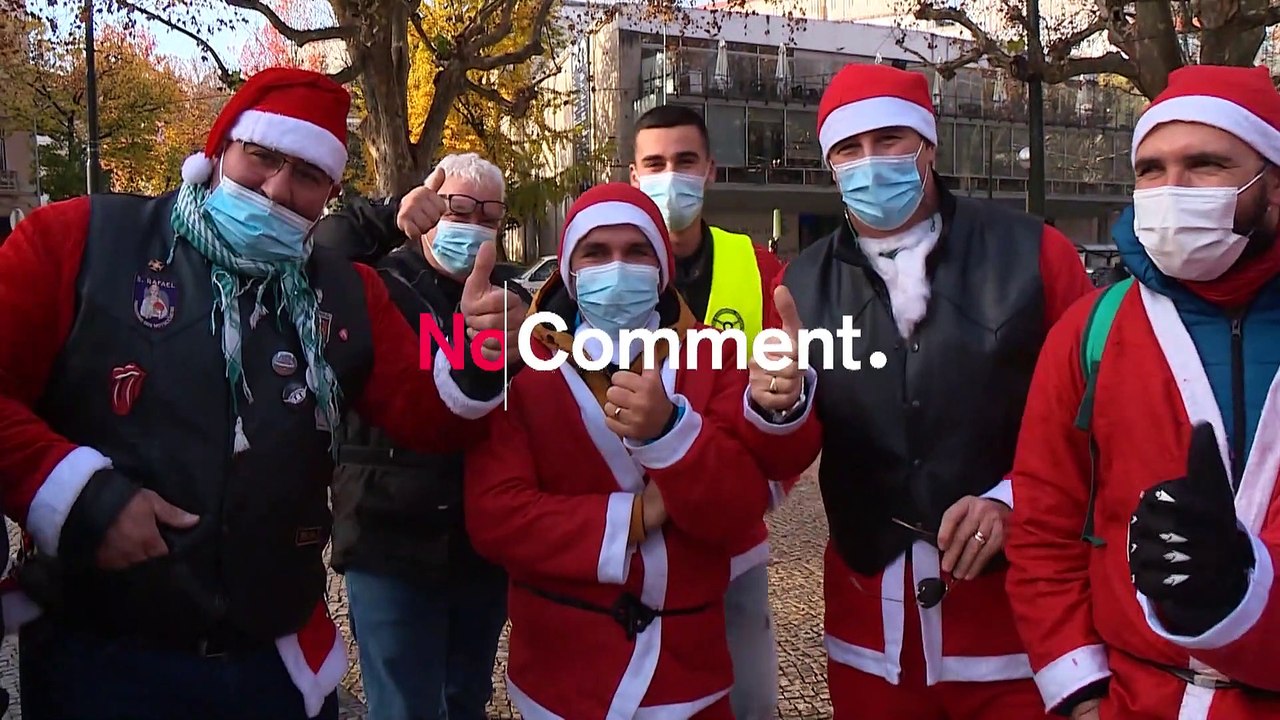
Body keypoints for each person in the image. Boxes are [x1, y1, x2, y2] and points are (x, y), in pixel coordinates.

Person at [0, 68, 520, 720]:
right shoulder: (80, 238)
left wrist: (487, 351)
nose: (276, 188)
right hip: (99, 657)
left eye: (306, 175)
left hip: (274, 667)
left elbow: (431, 417)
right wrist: (77, 495)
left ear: (330, 191)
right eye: (263, 158)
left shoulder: (347, 292)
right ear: (219, 151)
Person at [756, 63, 1094, 719]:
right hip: (868, 629)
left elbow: (1093, 418)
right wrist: (780, 403)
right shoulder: (802, 282)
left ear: (929, 147)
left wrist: (1013, 499)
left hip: (1011, 631)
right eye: (849, 149)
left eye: (889, 141)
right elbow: (784, 455)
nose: (869, 162)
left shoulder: (1038, 255)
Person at [462, 182, 818, 719]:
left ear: (662, 268)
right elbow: (496, 515)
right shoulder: (521, 367)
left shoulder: (716, 354)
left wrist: (668, 433)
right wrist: (634, 515)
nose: (617, 268)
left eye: (636, 252)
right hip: (561, 681)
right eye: (596, 253)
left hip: (689, 680)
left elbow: (739, 506)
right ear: (570, 270)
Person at [1007, 64, 1280, 720]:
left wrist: (1246, 592)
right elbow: (1045, 521)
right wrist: (1078, 691)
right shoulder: (1092, 330)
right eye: (1150, 170)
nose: (1170, 191)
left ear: (1273, 182)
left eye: (1206, 164)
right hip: (1136, 699)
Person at [317, 153, 529, 720]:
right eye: (458, 208)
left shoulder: (515, 300)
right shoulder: (379, 281)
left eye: (489, 215)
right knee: (403, 707)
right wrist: (389, 213)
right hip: (389, 541)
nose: (474, 226)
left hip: (480, 545)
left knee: (464, 700)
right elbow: (317, 254)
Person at [629, 103, 795, 720]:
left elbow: (787, 399)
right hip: (626, 532)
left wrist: (764, 489)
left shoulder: (756, 269)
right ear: (633, 173)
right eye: (655, 163)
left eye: (685, 161)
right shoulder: (601, 262)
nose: (670, 176)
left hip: (732, 537)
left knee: (746, 697)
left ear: (712, 171)